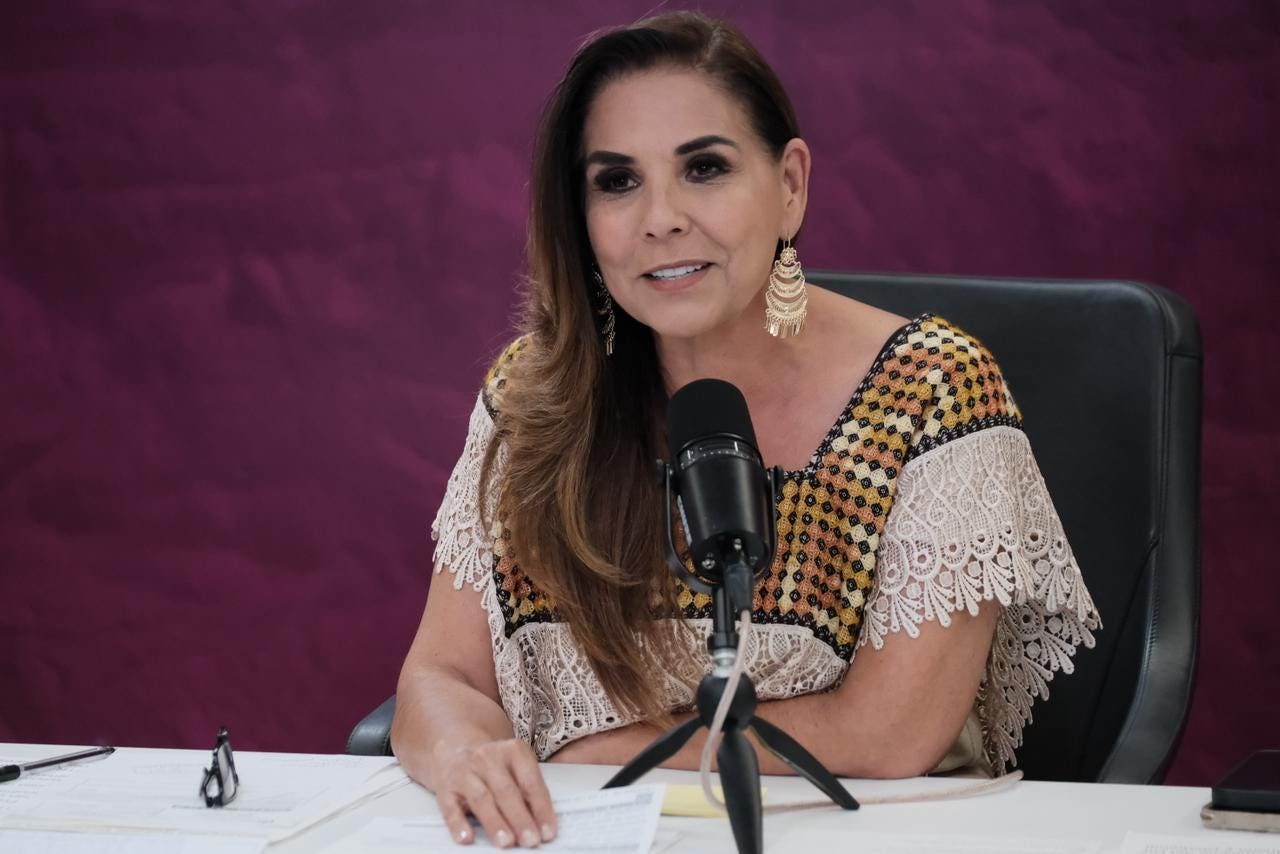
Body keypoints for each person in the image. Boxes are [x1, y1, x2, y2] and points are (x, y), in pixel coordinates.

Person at [391, 11, 1100, 849]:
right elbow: (442, 675)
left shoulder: (934, 390)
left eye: (704, 168)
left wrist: (608, 755)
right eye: (616, 181)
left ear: (790, 185)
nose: (660, 218)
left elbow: (891, 735)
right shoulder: (532, 397)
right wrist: (464, 749)